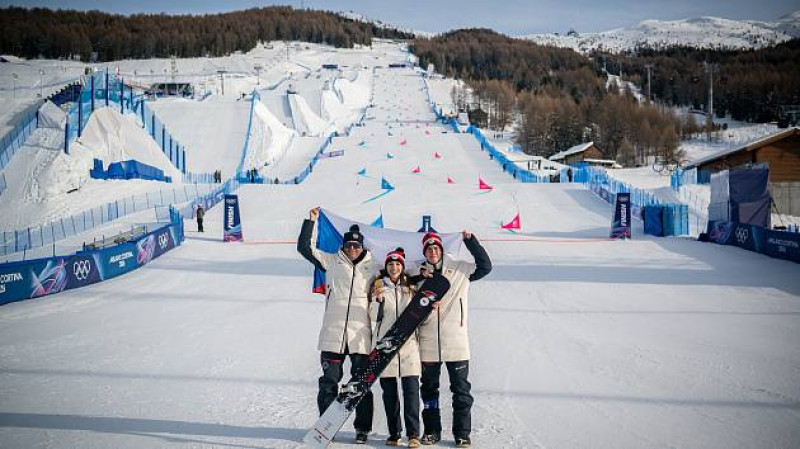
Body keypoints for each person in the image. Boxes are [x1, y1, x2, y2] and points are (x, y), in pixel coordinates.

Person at [297, 207, 377, 444]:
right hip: (333, 335)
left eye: (356, 246)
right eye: (349, 245)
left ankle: (362, 428)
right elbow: (305, 248)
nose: (353, 249)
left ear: (362, 247)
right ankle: (325, 428)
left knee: (361, 384)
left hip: (360, 336)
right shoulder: (331, 261)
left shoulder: (374, 267)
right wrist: (311, 222)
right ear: (343, 246)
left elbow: (399, 272)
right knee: (329, 383)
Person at [414, 231, 491, 448]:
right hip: (428, 341)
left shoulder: (460, 269)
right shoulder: (418, 273)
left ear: (441, 249)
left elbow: (485, 266)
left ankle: (462, 434)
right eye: (428, 249)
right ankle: (432, 431)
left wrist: (471, 242)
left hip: (456, 341)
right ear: (424, 253)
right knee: (429, 390)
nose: (433, 252)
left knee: (461, 390)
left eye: (436, 248)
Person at [371, 248, 422, 448]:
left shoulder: (410, 288)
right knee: (389, 393)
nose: (394, 268)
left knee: (411, 392)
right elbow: (372, 316)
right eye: (391, 264)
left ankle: (413, 434)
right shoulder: (378, 287)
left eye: (398, 264)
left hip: (409, 346)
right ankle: (394, 433)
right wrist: (377, 301)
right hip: (386, 347)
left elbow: (420, 313)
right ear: (386, 267)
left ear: (402, 267)